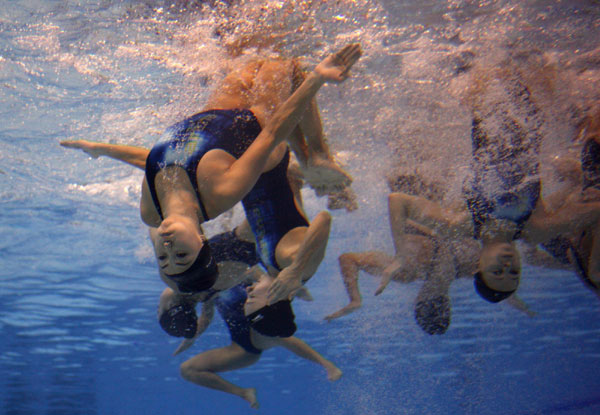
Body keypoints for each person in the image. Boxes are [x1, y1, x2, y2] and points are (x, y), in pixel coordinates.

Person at [61, 44, 362, 303]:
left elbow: (155, 162)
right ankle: (318, 154)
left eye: (163, 259)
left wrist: (101, 149)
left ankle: (313, 165)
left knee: (245, 49)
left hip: (215, 111)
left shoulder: (150, 212)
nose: (168, 249)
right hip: (253, 122)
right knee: (286, 65)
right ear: (202, 242)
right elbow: (271, 133)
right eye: (181, 256)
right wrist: (318, 79)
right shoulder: (220, 193)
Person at [376, 63, 600, 305]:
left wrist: (400, 252)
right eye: (514, 273)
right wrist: (595, 266)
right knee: (540, 66)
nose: (507, 266)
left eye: (497, 272)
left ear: (478, 265)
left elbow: (397, 201)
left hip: (489, 116)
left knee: (488, 65)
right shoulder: (535, 228)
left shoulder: (462, 225)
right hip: (530, 119)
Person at [325, 174, 534, 335]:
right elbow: (494, 271)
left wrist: (355, 299)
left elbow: (348, 258)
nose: (435, 297)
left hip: (409, 183)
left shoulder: (410, 270)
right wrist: (508, 295)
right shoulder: (465, 266)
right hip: (434, 187)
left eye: (431, 300)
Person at [159, 275, 341, 409]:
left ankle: (327, 364)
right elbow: (206, 317)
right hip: (241, 348)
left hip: (259, 332)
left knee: (278, 337)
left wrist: (295, 287)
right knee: (187, 369)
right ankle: (243, 393)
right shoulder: (208, 290)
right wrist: (191, 338)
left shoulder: (239, 275)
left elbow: (269, 279)